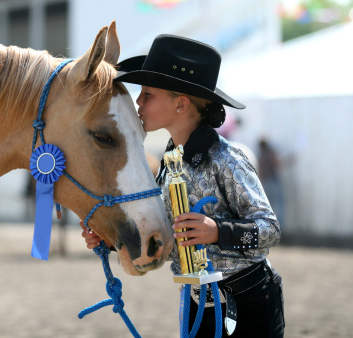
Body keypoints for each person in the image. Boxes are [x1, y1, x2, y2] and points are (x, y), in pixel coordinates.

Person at [81, 35, 284, 337]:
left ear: (181, 104)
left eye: (148, 94)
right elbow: (166, 235)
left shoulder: (227, 160)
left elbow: (270, 229)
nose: (138, 102)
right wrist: (111, 240)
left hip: (250, 301)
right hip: (196, 303)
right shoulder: (169, 162)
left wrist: (216, 230)